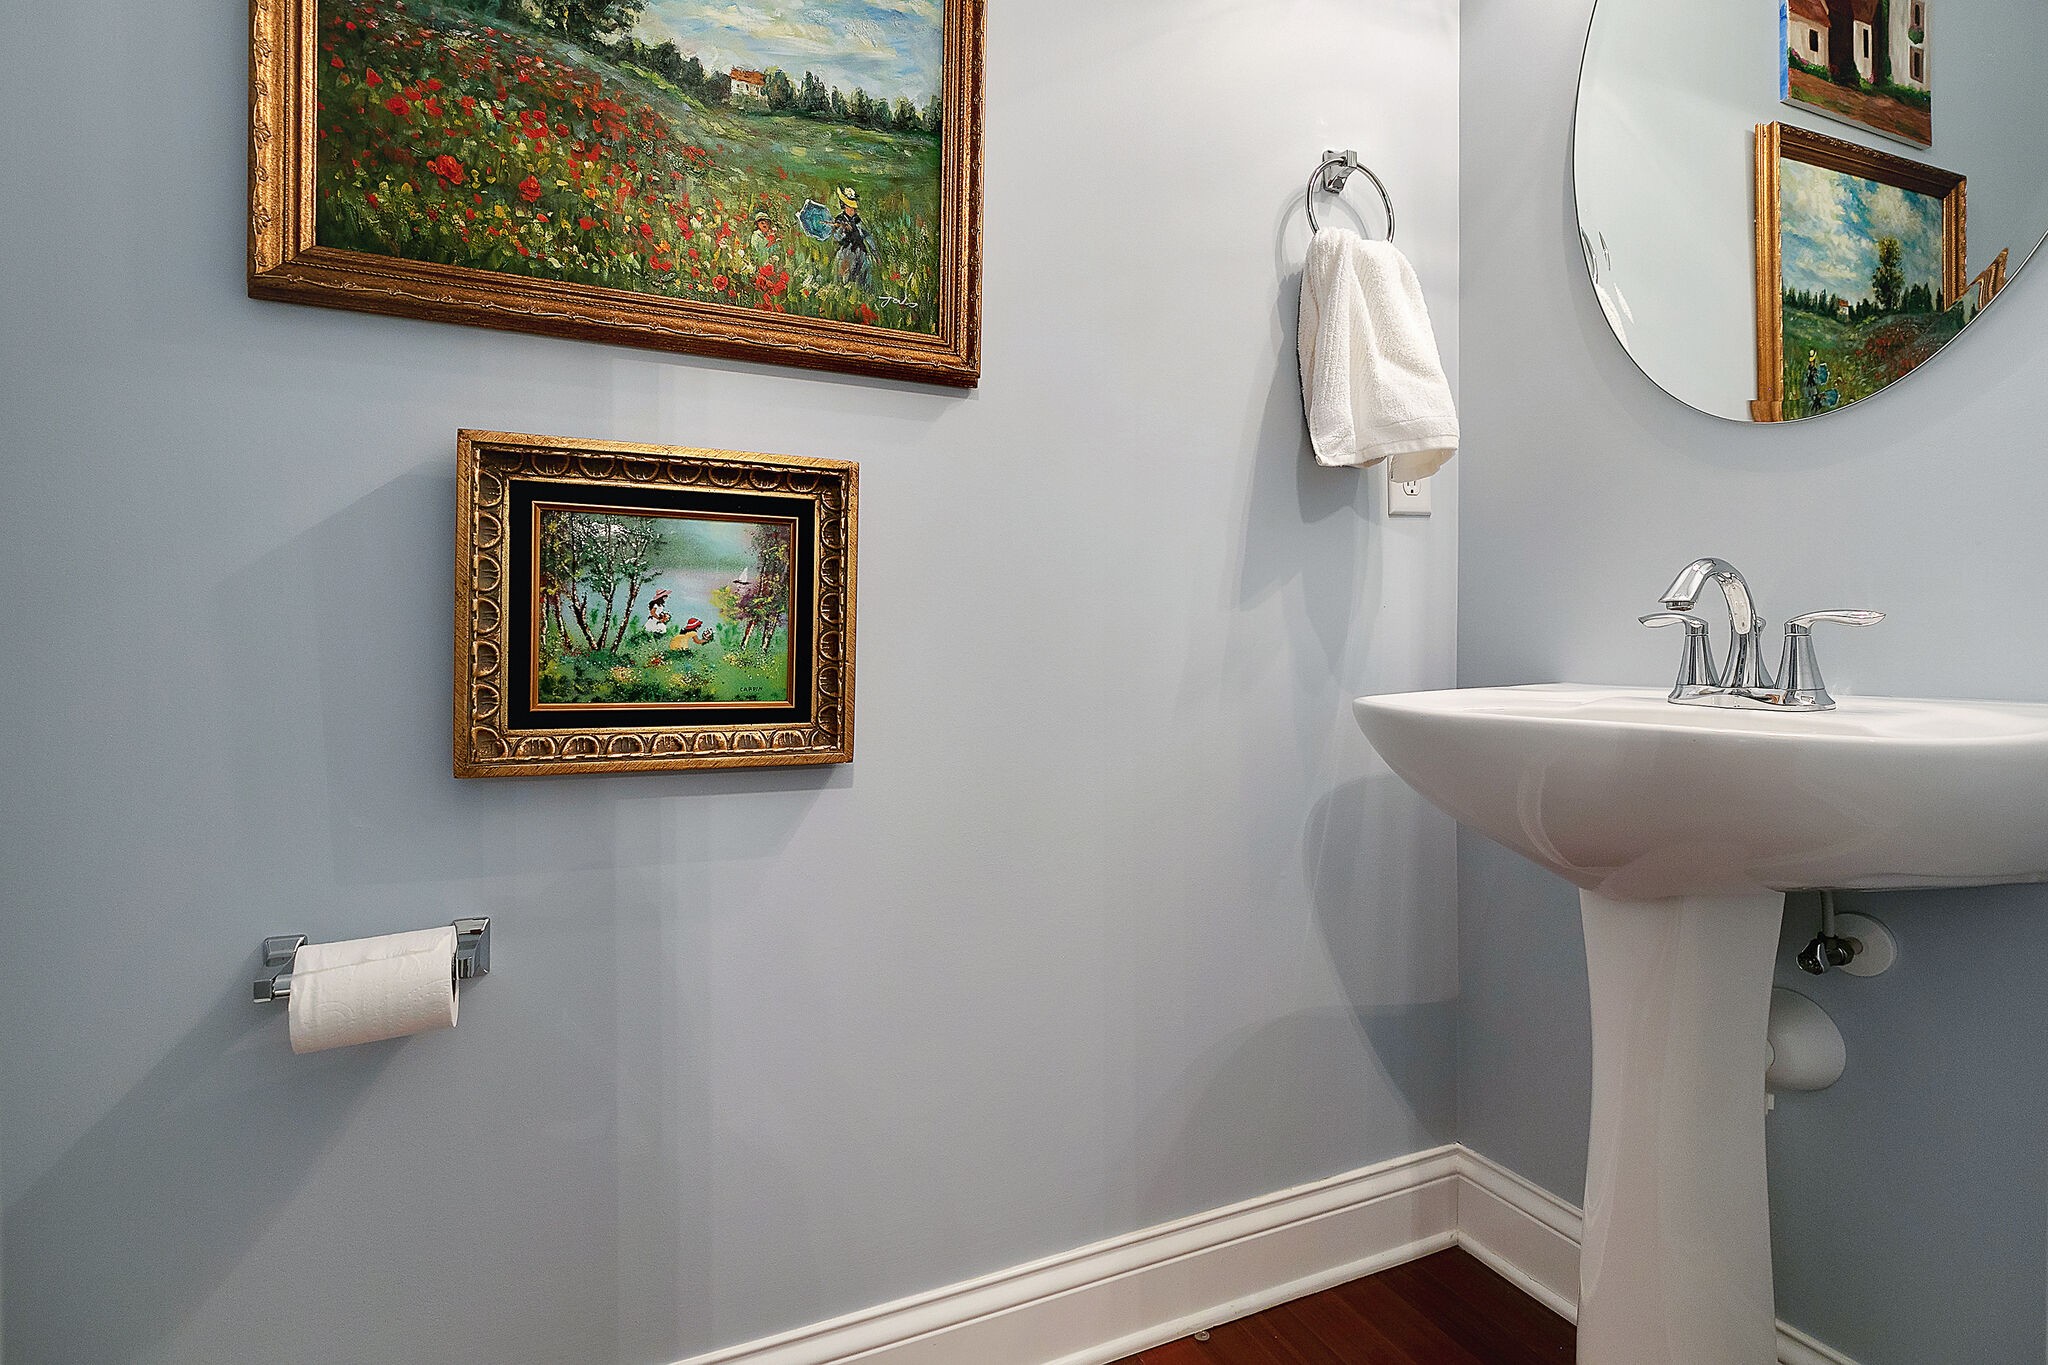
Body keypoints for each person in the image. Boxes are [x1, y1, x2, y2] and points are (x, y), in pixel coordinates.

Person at [830, 186, 873, 289]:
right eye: (850, 207)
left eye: (854, 208)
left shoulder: (857, 219)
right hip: (846, 253)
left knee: (863, 280)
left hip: (861, 252)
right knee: (845, 281)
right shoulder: (839, 219)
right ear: (844, 207)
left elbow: (866, 235)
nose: (853, 210)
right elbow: (837, 238)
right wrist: (842, 228)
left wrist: (874, 252)